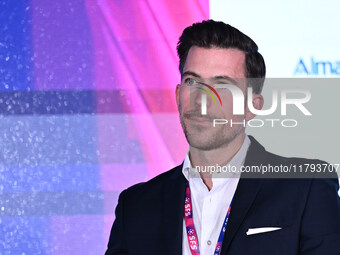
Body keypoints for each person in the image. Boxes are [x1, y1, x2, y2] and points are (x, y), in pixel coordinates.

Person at [105, 20, 340, 255]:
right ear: (178, 95)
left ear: (252, 106)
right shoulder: (136, 206)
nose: (202, 100)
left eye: (222, 85)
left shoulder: (306, 187)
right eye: (192, 81)